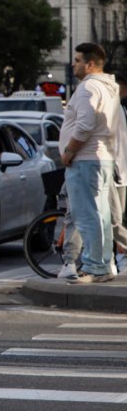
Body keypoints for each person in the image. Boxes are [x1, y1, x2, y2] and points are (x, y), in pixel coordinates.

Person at [59, 43, 120, 283]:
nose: (73, 64)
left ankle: (94, 267)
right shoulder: (109, 87)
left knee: (86, 216)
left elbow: (84, 125)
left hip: (85, 159)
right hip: (102, 157)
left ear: (90, 64)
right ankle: (104, 264)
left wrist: (68, 151)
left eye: (77, 60)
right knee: (101, 215)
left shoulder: (88, 88)